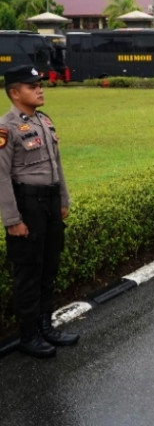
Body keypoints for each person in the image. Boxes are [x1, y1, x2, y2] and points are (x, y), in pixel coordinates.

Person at [0, 65, 77, 359]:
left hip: (49, 201)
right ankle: (29, 334)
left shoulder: (44, 121)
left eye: (40, 85)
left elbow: (56, 166)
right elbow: (2, 177)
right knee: (28, 272)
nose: (40, 89)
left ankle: (47, 326)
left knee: (49, 266)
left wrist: (63, 200)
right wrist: (12, 220)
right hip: (27, 205)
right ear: (15, 93)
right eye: (33, 87)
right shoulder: (6, 128)